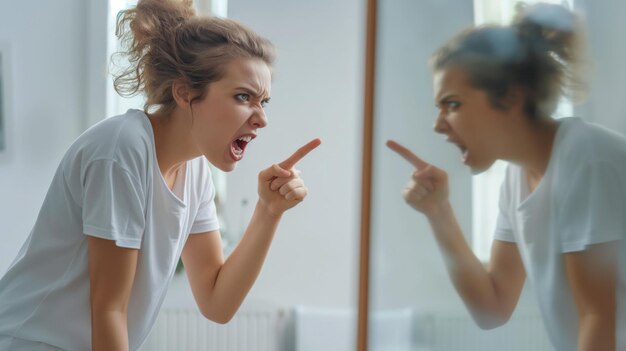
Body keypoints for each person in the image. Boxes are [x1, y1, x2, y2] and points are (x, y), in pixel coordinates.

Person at [0, 0, 321, 349]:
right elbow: (109, 309)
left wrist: (268, 211)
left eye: (264, 102)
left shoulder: (195, 170)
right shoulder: (121, 149)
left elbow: (217, 302)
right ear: (184, 92)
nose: (262, 118)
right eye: (244, 96)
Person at [386, 3, 625, 351]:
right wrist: (438, 212)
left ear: (510, 97)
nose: (438, 125)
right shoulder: (516, 177)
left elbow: (599, 316)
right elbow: (492, 308)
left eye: (452, 104)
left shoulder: (586, 159)